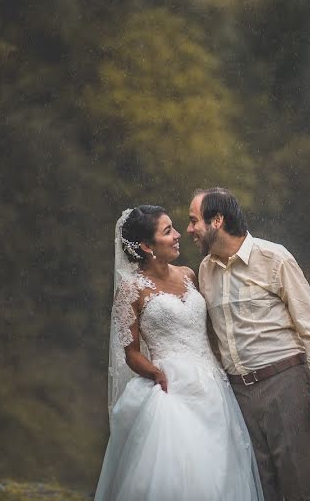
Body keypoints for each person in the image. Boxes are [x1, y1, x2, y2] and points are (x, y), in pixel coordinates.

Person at [93, 205, 263, 501]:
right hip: (171, 388)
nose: (177, 236)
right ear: (147, 246)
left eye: (173, 228)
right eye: (167, 231)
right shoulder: (131, 289)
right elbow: (130, 351)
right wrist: (156, 373)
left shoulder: (189, 274)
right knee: (178, 474)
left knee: (222, 470)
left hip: (213, 387)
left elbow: (210, 330)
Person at [187, 188, 310, 501]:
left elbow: (309, 322)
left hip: (286, 384)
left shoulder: (274, 258)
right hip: (238, 396)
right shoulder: (205, 270)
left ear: (217, 220)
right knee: (258, 490)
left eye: (193, 221)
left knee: (304, 487)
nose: (189, 229)